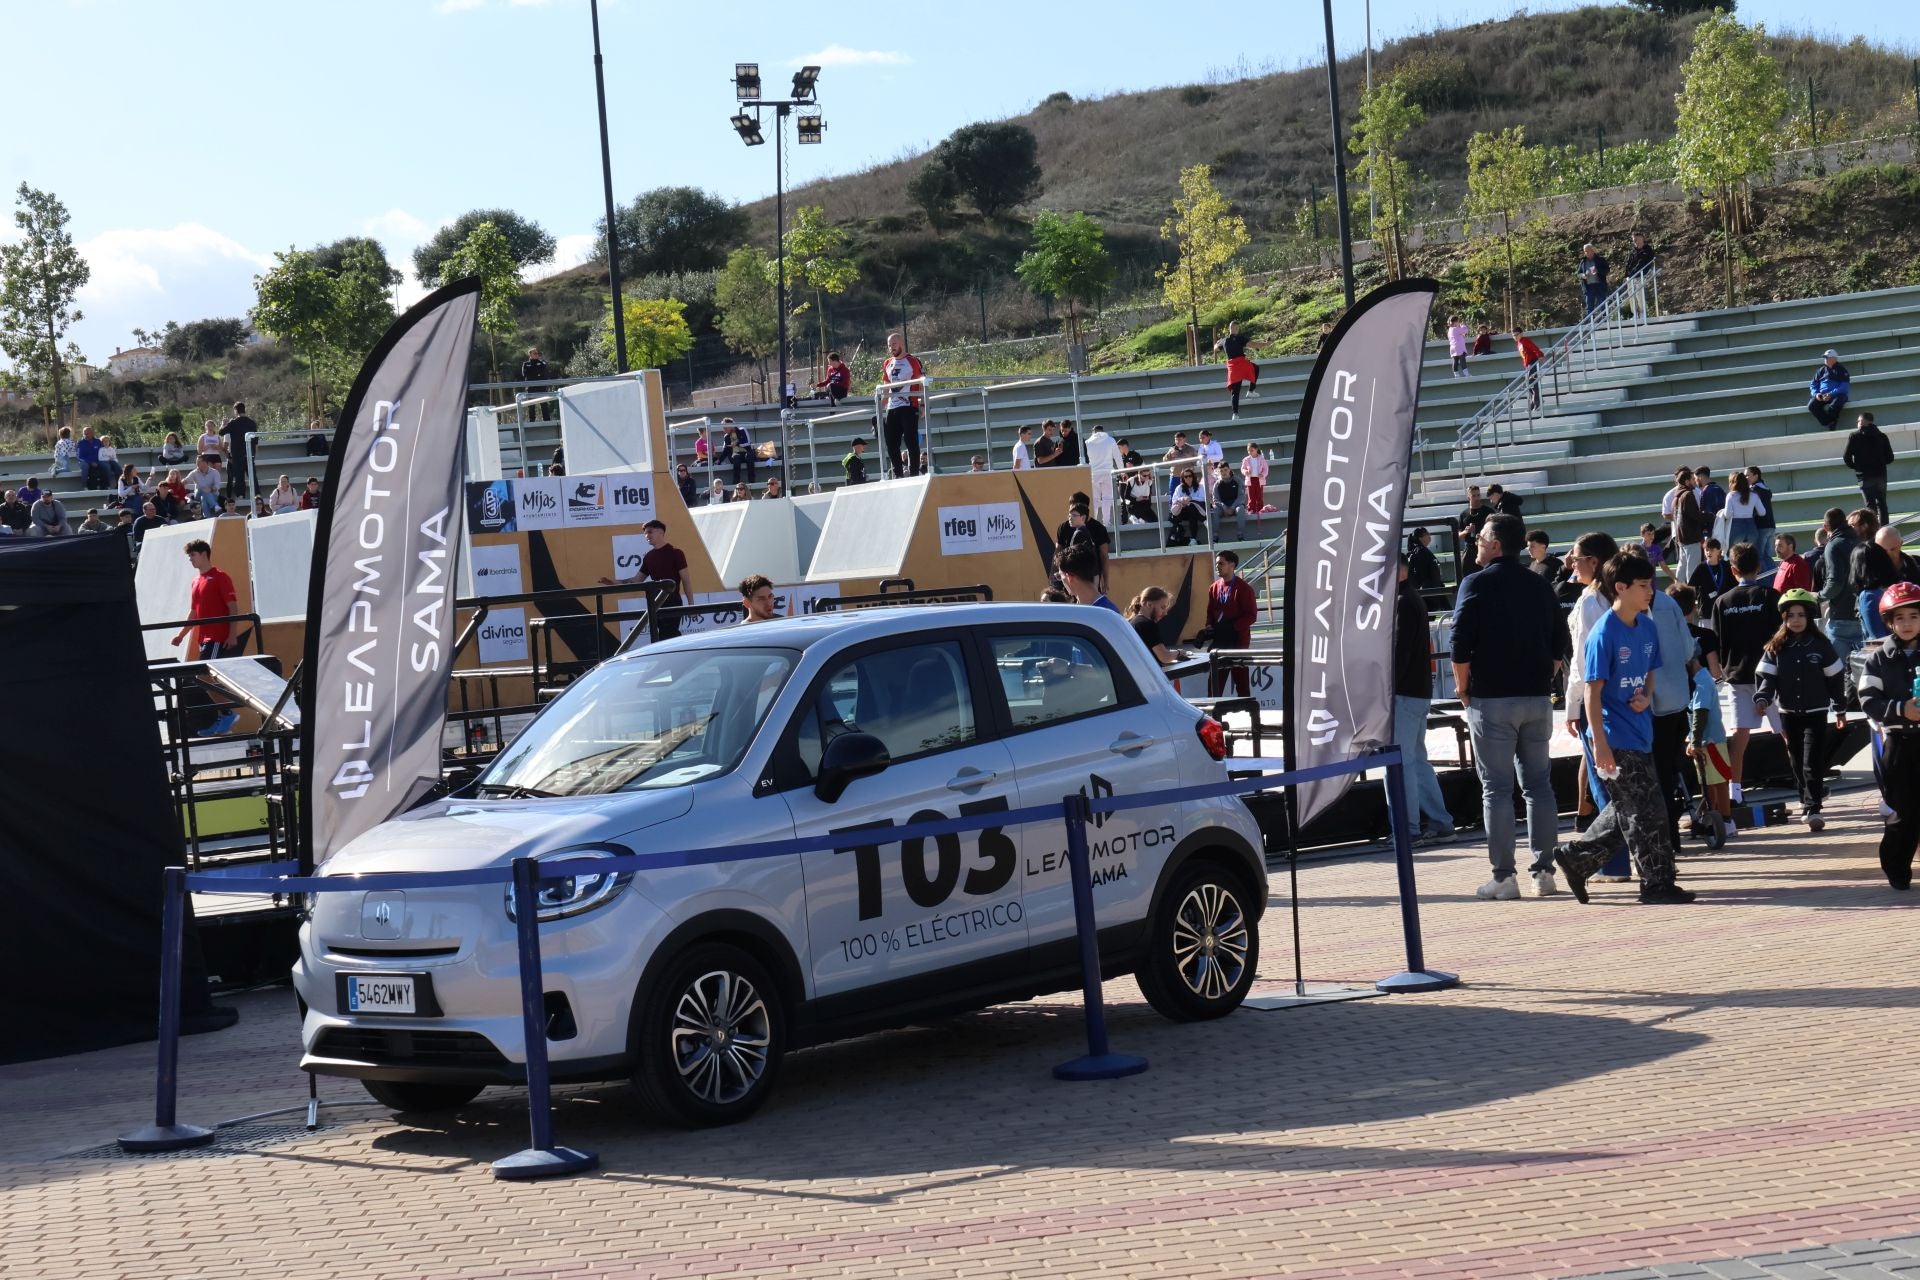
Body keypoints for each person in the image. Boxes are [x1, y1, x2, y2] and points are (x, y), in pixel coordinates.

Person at [1552, 551, 1695, 905]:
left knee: (1631, 806)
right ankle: (1656, 882)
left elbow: (1650, 670)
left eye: (1652, 584)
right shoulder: (1604, 633)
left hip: (1641, 729)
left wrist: (1646, 696)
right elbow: (1591, 690)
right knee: (1649, 810)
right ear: (1620, 587)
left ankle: (1575, 857)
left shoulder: (1646, 626)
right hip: (1614, 735)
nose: (1651, 591)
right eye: (1644, 585)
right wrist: (1599, 744)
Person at [1451, 514, 1570, 899]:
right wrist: (1543, 678)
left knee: (1497, 790)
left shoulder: (1475, 583)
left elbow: (1459, 644)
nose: (1476, 543)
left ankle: (1504, 878)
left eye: (1481, 538)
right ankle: (1544, 873)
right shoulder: (1539, 584)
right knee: (1539, 786)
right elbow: (1559, 642)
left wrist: (1463, 689)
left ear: (1496, 544)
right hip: (1535, 698)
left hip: (1492, 700)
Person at [1753, 588, 1847, 831]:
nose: (1795, 620)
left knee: (1811, 761)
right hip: (1788, 714)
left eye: (1800, 615)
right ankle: (1807, 797)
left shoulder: (1821, 646)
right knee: (1795, 761)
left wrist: (1840, 709)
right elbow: (1767, 678)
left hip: (1816, 713)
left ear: (1809, 617)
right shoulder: (1776, 647)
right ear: (1784, 618)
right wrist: (1763, 698)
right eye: (1790, 615)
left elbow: (1836, 679)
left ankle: (1813, 807)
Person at [1857, 581, 1920, 889]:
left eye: (1914, 616)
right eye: (1900, 618)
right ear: (1889, 622)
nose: (1907, 624)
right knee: (1904, 812)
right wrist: (1900, 709)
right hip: (1898, 744)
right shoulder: (1879, 658)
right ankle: (1896, 867)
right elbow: (1868, 700)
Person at [1392, 557, 1456, 844]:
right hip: (1416, 691)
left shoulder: (1401, 601)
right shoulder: (1412, 598)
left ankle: (1408, 829)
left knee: (1399, 763)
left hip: (1403, 692)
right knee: (1416, 760)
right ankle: (1440, 821)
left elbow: (1399, 651)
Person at [1712, 541, 1781, 800]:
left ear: (1732, 570)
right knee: (1788, 732)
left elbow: (1719, 644)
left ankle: (1735, 792)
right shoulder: (1770, 597)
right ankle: (1805, 785)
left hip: (1737, 676)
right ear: (1760, 566)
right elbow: (1780, 638)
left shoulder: (1722, 602)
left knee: (1740, 735)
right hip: (1770, 676)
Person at [1564, 531, 1621, 838]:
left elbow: (1582, 663)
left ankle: (1612, 859)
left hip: (1596, 698)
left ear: (1594, 561)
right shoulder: (1621, 596)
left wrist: (1573, 705)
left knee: (1603, 781)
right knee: (1623, 778)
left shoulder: (1590, 603)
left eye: (1576, 557)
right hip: (1626, 696)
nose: (1572, 562)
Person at [170, 538, 242, 735]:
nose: (190, 559)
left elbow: (233, 607)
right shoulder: (195, 581)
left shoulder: (220, 577)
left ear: (203, 554)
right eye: (189, 556)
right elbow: (194, 612)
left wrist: (232, 634)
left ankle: (228, 714)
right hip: (204, 638)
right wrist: (181, 635)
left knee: (203, 676)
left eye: (192, 555)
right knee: (206, 678)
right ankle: (226, 714)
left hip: (218, 636)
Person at [599, 519, 693, 639]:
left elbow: (686, 580)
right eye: (645, 533)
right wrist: (613, 582)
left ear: (660, 532)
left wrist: (691, 606)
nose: (647, 535)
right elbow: (636, 580)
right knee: (661, 637)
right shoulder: (649, 557)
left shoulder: (676, 553)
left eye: (650, 532)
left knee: (668, 636)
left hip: (672, 602)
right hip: (655, 603)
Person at [1686, 649, 1733, 837]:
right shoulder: (1701, 680)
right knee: (1711, 783)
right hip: (1708, 740)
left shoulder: (1701, 682)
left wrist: (1695, 741)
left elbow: (1700, 712)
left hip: (1709, 741)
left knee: (1717, 783)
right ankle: (1713, 819)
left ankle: (1725, 821)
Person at [1205, 550, 1256, 696]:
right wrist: (1209, 625)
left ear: (1232, 565)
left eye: (1221, 563)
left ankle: (1250, 714)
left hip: (1238, 641)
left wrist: (1232, 627)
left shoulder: (1244, 588)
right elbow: (1210, 612)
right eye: (1216, 564)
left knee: (1241, 682)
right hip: (1220, 640)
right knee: (1215, 682)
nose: (1218, 566)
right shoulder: (1214, 587)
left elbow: (1251, 616)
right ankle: (1214, 715)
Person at [879, 332, 924, 477]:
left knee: (911, 442)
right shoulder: (887, 363)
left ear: (901, 344)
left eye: (894, 344)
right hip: (892, 407)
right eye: (889, 345)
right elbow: (886, 385)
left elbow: (921, 383)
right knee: (891, 444)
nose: (891, 347)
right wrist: (881, 407)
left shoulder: (912, 360)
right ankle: (897, 473)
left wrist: (922, 404)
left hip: (908, 406)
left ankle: (914, 473)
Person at [1818, 508, 1863, 652]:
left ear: (1826, 527)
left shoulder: (1833, 545)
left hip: (1841, 616)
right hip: (1861, 613)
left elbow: (1835, 581)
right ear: (1846, 522)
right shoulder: (1860, 541)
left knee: (1837, 670)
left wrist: (1819, 596)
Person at [1845, 411, 1895, 525]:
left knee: (1870, 507)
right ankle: (1884, 530)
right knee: (1882, 504)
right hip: (1880, 475)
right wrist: (1880, 463)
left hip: (1864, 476)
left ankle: (1872, 532)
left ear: (1863, 421)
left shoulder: (1854, 436)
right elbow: (1890, 458)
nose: (1857, 422)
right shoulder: (1882, 436)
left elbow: (1846, 456)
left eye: (1858, 420)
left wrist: (1855, 466)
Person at [1056, 501, 1111, 593]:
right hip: (1089, 578)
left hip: (1086, 579)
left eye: (1074, 515)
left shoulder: (1080, 533)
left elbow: (1078, 559)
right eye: (1069, 515)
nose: (1070, 518)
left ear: (1083, 517)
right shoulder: (1082, 532)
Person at [1128, 587, 1189, 669]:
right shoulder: (1147, 625)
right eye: (1162, 608)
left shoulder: (1132, 622)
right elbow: (1164, 657)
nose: (1165, 613)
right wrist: (1179, 652)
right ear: (1149, 604)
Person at [1214, 320, 1263, 418]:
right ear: (1233, 328)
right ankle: (1251, 391)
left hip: (1233, 367)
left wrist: (1217, 343)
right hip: (1241, 364)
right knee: (1255, 368)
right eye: (1237, 328)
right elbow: (1253, 345)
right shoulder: (1240, 338)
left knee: (1235, 392)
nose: (1237, 330)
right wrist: (1266, 344)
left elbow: (1216, 349)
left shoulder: (1224, 340)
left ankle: (1235, 414)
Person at [1669, 466, 1707, 582]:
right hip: (1691, 538)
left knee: (1682, 566)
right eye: (1692, 479)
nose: (1695, 481)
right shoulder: (1687, 495)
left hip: (1681, 538)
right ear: (1686, 481)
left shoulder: (1676, 496)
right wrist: (1711, 516)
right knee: (1693, 569)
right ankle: (1692, 594)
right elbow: (1695, 515)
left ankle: (1677, 591)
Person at [1055, 543, 1117, 613]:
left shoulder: (1103, 614)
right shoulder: (1108, 611)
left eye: (1060, 576)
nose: (1061, 581)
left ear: (1069, 577)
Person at [221, 401, 257, 500]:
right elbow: (256, 442)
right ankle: (257, 496)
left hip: (237, 455)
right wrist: (254, 455)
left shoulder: (234, 423)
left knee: (239, 477)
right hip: (249, 454)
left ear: (236, 411)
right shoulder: (252, 423)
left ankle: (240, 496)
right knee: (252, 477)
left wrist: (223, 424)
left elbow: (221, 432)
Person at [1722, 470, 1762, 561]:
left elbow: (1727, 515)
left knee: (1734, 556)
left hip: (1736, 528)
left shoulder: (1731, 495)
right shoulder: (1753, 495)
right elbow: (1762, 512)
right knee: (1750, 556)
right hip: (1751, 527)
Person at [1688, 537, 1734, 614]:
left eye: (1712, 550)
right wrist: (1692, 604)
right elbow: (1691, 587)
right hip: (1706, 610)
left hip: (1725, 608)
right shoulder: (1701, 567)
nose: (1709, 552)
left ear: (1719, 551)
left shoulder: (1726, 566)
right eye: (1707, 550)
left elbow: (1734, 585)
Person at [1808, 348, 1851, 429]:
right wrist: (1816, 394)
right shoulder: (1821, 370)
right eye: (1825, 357)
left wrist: (1831, 394)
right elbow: (1813, 384)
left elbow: (1844, 387)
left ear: (1834, 358)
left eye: (1827, 357)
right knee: (1812, 405)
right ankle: (1829, 421)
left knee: (1834, 405)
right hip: (1822, 395)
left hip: (1837, 395)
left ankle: (1832, 422)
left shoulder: (1841, 370)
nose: (1825, 359)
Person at [1167, 466, 1207, 546]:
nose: (1188, 478)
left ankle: (1193, 538)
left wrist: (1191, 498)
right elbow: (1174, 500)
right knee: (1177, 514)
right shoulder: (1179, 488)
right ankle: (1177, 537)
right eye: (1186, 476)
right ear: (1183, 478)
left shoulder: (1200, 486)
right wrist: (1182, 499)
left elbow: (1203, 498)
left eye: (1190, 476)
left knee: (1192, 510)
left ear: (1193, 477)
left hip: (1196, 511)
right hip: (1183, 511)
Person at [1745, 466, 1776, 568]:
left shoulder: (1754, 490)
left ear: (1756, 475)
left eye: (1748, 475)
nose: (1746, 478)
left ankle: (1766, 580)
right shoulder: (1766, 488)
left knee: (1760, 556)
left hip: (1761, 526)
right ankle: (1773, 577)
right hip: (1770, 526)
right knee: (1767, 556)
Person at [1456, 484, 1494, 566]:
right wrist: (1466, 531)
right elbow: (1458, 535)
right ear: (1468, 498)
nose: (1477, 498)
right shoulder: (1464, 514)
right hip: (1469, 548)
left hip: (1485, 547)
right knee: (1465, 573)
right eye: (1474, 496)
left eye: (1478, 495)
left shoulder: (1488, 511)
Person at [1209, 460, 1246, 543]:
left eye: (1225, 470)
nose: (1223, 472)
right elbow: (1216, 499)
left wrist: (1232, 507)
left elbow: (1241, 497)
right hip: (1223, 507)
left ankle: (1240, 536)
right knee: (1214, 510)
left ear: (1229, 469)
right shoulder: (1217, 484)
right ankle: (1215, 537)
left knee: (1241, 509)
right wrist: (1224, 507)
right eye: (1221, 471)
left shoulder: (1237, 481)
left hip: (1236, 505)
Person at [1514, 332, 1546, 409]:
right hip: (1528, 365)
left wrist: (1540, 355)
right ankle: (1535, 400)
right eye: (1514, 335)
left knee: (1532, 382)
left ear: (1521, 334)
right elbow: (1524, 355)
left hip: (1533, 362)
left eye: (1516, 334)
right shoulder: (1519, 343)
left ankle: (1536, 401)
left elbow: (1534, 347)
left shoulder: (1525, 340)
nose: (1515, 337)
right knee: (1528, 384)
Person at [1577, 242, 1610, 314]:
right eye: (1585, 251)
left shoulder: (1600, 259)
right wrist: (1583, 275)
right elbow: (1578, 274)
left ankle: (1606, 322)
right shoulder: (1583, 262)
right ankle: (1591, 324)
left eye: (1588, 250)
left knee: (1603, 305)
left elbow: (1607, 270)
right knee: (1589, 307)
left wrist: (1598, 271)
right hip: (1588, 287)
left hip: (1599, 285)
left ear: (1592, 250)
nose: (1587, 252)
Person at [188, 454, 223, 518]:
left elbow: (217, 486)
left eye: (199, 462)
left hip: (213, 495)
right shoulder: (194, 473)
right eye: (196, 462)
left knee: (204, 497)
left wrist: (210, 489)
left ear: (205, 463)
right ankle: (215, 506)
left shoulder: (215, 472)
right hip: (198, 496)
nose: (197, 464)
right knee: (202, 490)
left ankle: (207, 518)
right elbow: (186, 480)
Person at [1241, 442, 1268, 516]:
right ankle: (1251, 510)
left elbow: (1266, 469)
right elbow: (1242, 469)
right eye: (1248, 450)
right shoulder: (1246, 459)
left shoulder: (1261, 459)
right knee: (1251, 496)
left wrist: (1262, 474)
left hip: (1259, 480)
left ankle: (1260, 510)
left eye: (1252, 450)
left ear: (1256, 449)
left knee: (1259, 496)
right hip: (1250, 480)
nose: (1250, 452)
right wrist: (1246, 472)